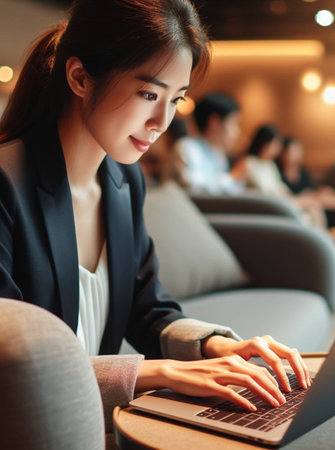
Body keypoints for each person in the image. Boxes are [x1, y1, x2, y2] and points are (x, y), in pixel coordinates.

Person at [0, 0, 310, 431]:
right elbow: (16, 367)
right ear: (80, 77)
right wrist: (160, 373)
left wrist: (216, 345)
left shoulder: (124, 184)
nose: (161, 122)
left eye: (176, 100)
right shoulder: (6, 183)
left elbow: (147, 310)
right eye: (149, 94)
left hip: (102, 424)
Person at [177, 91, 243, 193]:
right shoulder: (187, 148)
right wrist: (233, 178)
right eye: (233, 123)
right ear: (214, 122)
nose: (237, 131)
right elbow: (195, 189)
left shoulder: (218, 154)